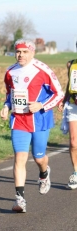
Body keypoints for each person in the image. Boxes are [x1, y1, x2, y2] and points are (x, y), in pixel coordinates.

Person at [0, 39, 64, 213]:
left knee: (38, 158)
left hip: (39, 121)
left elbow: (59, 94)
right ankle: (20, 200)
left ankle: (44, 172)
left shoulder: (43, 70)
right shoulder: (10, 72)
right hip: (19, 121)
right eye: (18, 51)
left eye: (24, 52)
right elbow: (9, 95)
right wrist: (6, 106)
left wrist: (41, 105)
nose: (20, 55)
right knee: (19, 158)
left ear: (32, 52)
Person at [58, 59, 77, 189]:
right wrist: (64, 100)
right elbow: (70, 84)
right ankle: (76, 173)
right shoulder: (71, 64)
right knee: (73, 142)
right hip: (73, 105)